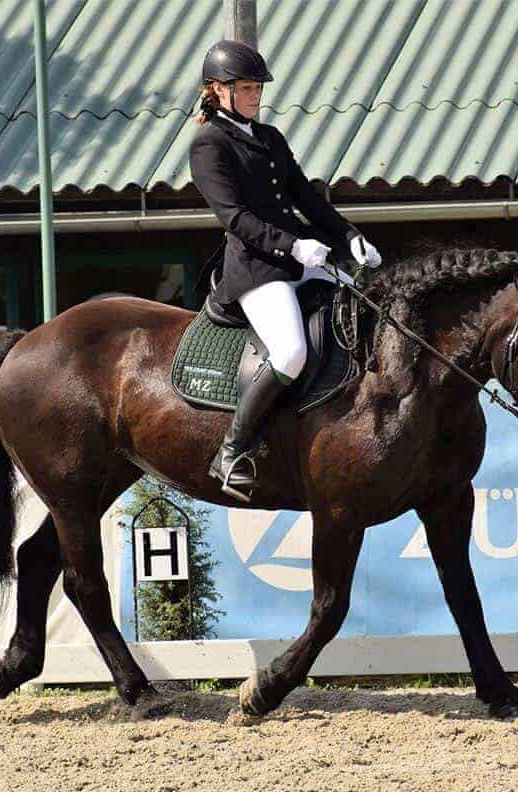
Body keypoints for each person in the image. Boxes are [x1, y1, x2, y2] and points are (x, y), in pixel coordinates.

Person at [189, 39, 383, 502]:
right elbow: (234, 218)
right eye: (248, 88)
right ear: (218, 91)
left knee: (364, 310)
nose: (257, 96)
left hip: (300, 260)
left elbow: (306, 198)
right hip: (257, 270)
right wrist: (293, 245)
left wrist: (347, 236)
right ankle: (232, 450)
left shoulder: (270, 137)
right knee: (292, 351)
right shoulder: (209, 145)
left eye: (258, 88)